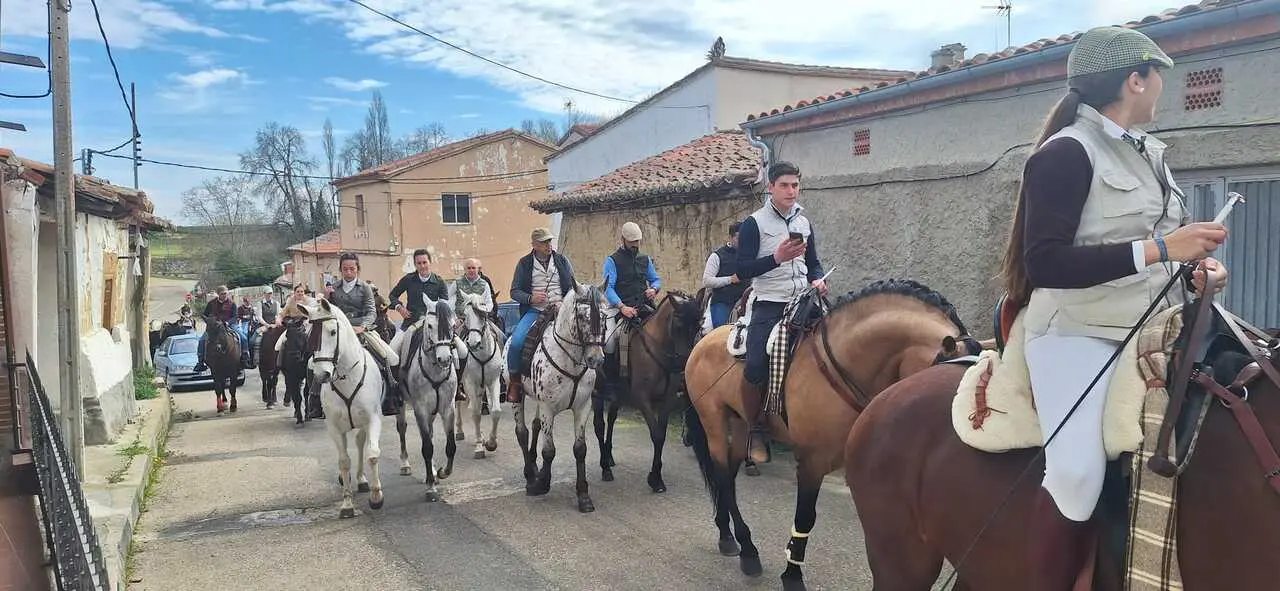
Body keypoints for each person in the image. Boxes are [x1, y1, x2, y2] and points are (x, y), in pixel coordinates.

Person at [996, 26, 1229, 590]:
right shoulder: (1066, 154)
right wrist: (1163, 249)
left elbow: (1161, 250)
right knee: (1076, 472)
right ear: (1135, 79)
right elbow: (1046, 263)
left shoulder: (1150, 155)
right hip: (1078, 331)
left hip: (1155, 324)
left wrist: (1195, 271)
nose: (1160, 91)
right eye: (1158, 79)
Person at [735, 161, 828, 464]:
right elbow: (743, 269)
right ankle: (755, 428)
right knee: (756, 363)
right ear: (770, 187)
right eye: (785, 185)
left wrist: (817, 278)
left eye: (796, 185)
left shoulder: (804, 221)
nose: (791, 191)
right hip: (770, 303)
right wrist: (776, 258)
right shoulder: (754, 223)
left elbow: (813, 262)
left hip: (805, 298)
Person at [506, 227, 578, 404]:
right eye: (544, 242)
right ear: (535, 245)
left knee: (586, 336)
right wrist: (531, 298)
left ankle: (591, 380)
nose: (548, 245)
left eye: (549, 241)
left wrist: (565, 302)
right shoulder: (524, 263)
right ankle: (515, 382)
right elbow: (514, 291)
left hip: (561, 311)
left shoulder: (562, 261)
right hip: (535, 311)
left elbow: (573, 286)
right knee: (516, 343)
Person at [326, 252, 402, 416]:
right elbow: (328, 311)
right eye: (345, 269)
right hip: (340, 330)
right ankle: (316, 398)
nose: (348, 272)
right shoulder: (334, 289)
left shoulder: (365, 288)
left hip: (362, 329)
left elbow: (371, 312)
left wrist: (363, 327)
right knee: (315, 359)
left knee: (390, 356)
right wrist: (326, 297)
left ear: (357, 270)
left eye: (351, 269)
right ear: (340, 270)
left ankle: (391, 397)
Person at [602, 221, 662, 383]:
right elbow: (608, 288)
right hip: (621, 306)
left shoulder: (645, 259)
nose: (635, 245)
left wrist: (654, 289)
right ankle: (610, 383)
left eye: (637, 241)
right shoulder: (612, 261)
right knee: (609, 343)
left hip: (644, 305)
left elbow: (655, 279)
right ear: (623, 239)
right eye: (632, 242)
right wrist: (622, 307)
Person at [387, 248, 450, 353]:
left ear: (430, 262)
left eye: (425, 262)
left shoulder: (439, 282)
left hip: (434, 325)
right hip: (411, 323)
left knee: (459, 350)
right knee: (392, 349)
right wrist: (400, 308)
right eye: (419, 263)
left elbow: (444, 304)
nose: (422, 266)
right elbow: (393, 295)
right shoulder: (408, 279)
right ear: (415, 265)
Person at [194, 285, 252, 372]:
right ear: (218, 294)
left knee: (242, 337)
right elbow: (204, 315)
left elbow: (235, 316)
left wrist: (227, 322)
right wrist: (210, 322)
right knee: (202, 340)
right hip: (215, 327)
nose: (224, 295)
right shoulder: (211, 304)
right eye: (222, 294)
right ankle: (200, 362)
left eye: (225, 293)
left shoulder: (232, 304)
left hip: (229, 324)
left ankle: (245, 357)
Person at [702, 221, 746, 329]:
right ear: (731, 237)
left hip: (745, 301)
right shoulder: (717, 256)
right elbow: (707, 281)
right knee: (721, 333)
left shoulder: (750, 254)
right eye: (739, 238)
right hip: (723, 303)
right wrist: (730, 279)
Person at [450, 258, 495, 324]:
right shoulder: (456, 283)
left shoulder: (485, 284)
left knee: (497, 333)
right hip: (461, 320)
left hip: (480, 320)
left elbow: (489, 302)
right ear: (465, 269)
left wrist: (484, 311)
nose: (471, 270)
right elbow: (447, 301)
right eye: (468, 268)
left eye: (473, 268)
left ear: (478, 269)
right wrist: (454, 319)